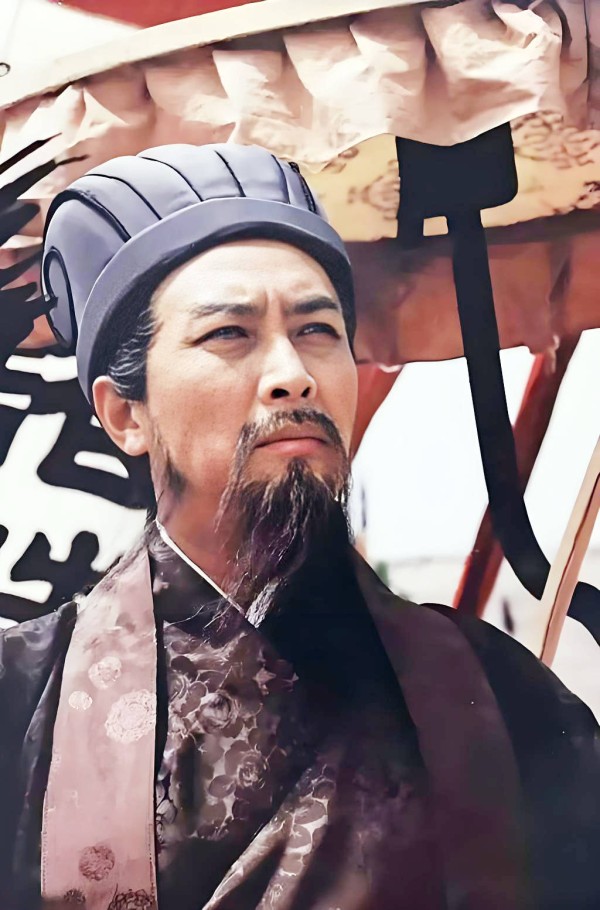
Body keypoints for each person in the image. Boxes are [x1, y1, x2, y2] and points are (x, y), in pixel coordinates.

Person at [0, 143, 598, 910]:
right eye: (229, 334)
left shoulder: (497, 690)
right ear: (125, 415)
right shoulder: (23, 700)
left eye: (317, 330)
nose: (293, 374)